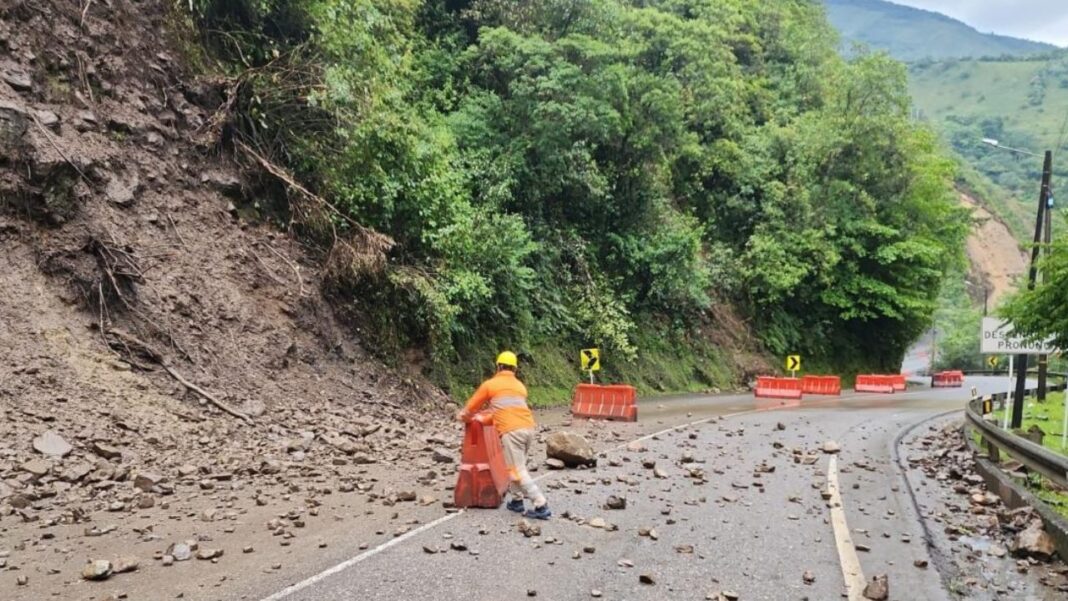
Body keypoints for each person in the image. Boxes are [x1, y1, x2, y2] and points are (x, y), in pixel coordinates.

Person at [456, 351, 551, 520]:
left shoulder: (490, 385)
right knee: (516, 465)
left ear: (498, 366)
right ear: (515, 369)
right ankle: (516, 501)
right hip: (528, 429)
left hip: (512, 431)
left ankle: (540, 504)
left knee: (516, 470)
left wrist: (464, 417)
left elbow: (471, 408)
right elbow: (504, 409)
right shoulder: (520, 387)